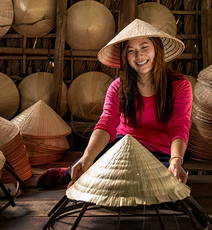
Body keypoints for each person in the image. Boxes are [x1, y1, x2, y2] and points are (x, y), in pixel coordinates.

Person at [37, 18, 192, 188]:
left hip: (159, 153)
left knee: (163, 183)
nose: (139, 55)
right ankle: (70, 172)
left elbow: (179, 124)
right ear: (125, 57)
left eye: (145, 47)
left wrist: (176, 160)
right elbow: (106, 123)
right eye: (131, 51)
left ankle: (88, 179)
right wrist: (87, 156)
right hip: (120, 147)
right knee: (91, 163)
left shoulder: (180, 84)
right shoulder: (118, 86)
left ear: (157, 48)